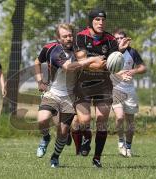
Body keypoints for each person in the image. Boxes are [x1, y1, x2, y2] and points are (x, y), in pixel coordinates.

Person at [34, 23, 104, 168]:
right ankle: (45, 138)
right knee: (42, 120)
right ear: (58, 38)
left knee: (63, 132)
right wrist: (40, 81)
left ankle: (55, 157)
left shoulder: (79, 51)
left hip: (70, 97)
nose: (68, 38)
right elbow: (68, 67)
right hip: (52, 93)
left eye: (70, 35)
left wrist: (107, 62)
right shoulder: (53, 50)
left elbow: (88, 65)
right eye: (64, 36)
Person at [74, 8, 130, 167]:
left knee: (101, 121)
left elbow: (112, 64)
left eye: (103, 20)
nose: (101, 23)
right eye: (97, 20)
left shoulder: (111, 40)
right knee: (84, 120)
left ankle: (97, 158)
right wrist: (97, 63)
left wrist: (120, 56)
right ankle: (86, 137)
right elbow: (81, 61)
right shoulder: (81, 37)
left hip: (104, 84)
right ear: (91, 21)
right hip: (83, 83)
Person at [111, 29, 146, 157]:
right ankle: (121, 142)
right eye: (116, 38)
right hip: (116, 89)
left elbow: (143, 67)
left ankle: (129, 147)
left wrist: (133, 71)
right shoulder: (112, 53)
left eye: (121, 38)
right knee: (120, 117)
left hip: (130, 90)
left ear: (126, 39)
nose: (119, 40)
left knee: (130, 121)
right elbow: (107, 71)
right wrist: (120, 75)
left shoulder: (132, 52)